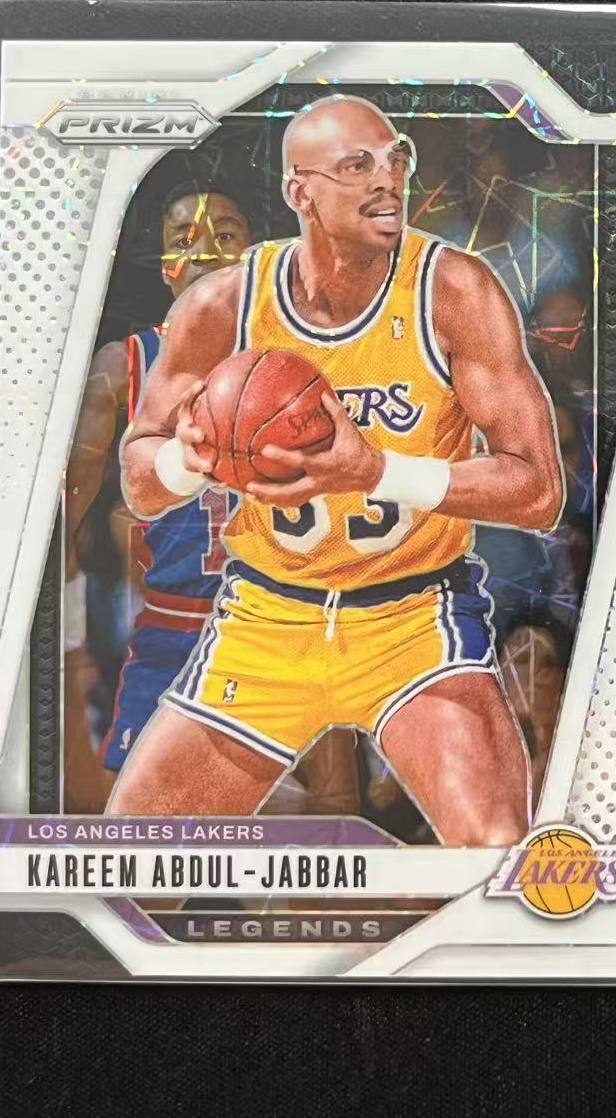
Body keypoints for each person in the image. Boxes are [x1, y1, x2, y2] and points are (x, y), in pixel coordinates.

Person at [107, 95, 564, 847]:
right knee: (133, 868)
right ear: (301, 192)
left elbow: (539, 490)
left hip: (412, 617)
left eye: (396, 159)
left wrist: (375, 470)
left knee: (494, 858)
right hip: (267, 618)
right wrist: (188, 461)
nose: (388, 179)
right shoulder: (224, 303)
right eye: (357, 166)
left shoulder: (453, 290)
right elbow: (140, 482)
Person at [61, 187, 252, 811]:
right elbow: (61, 525)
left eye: (227, 234)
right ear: (165, 266)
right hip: (171, 628)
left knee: (306, 828)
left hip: (279, 626)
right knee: (129, 826)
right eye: (184, 240)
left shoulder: (312, 357)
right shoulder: (122, 366)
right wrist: (65, 638)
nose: (207, 251)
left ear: (254, 256)